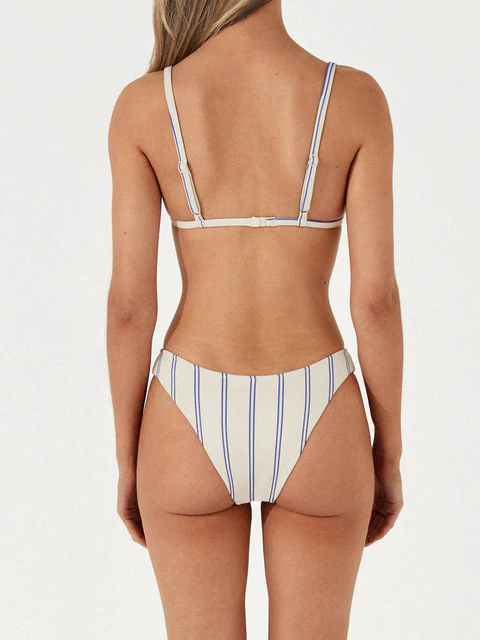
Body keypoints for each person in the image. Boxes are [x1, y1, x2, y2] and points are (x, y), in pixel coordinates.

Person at [106, 0, 404, 637]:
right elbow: (375, 302)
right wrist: (388, 455)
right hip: (319, 406)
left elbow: (130, 307)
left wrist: (129, 460)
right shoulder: (355, 99)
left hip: (187, 408)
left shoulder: (145, 105)